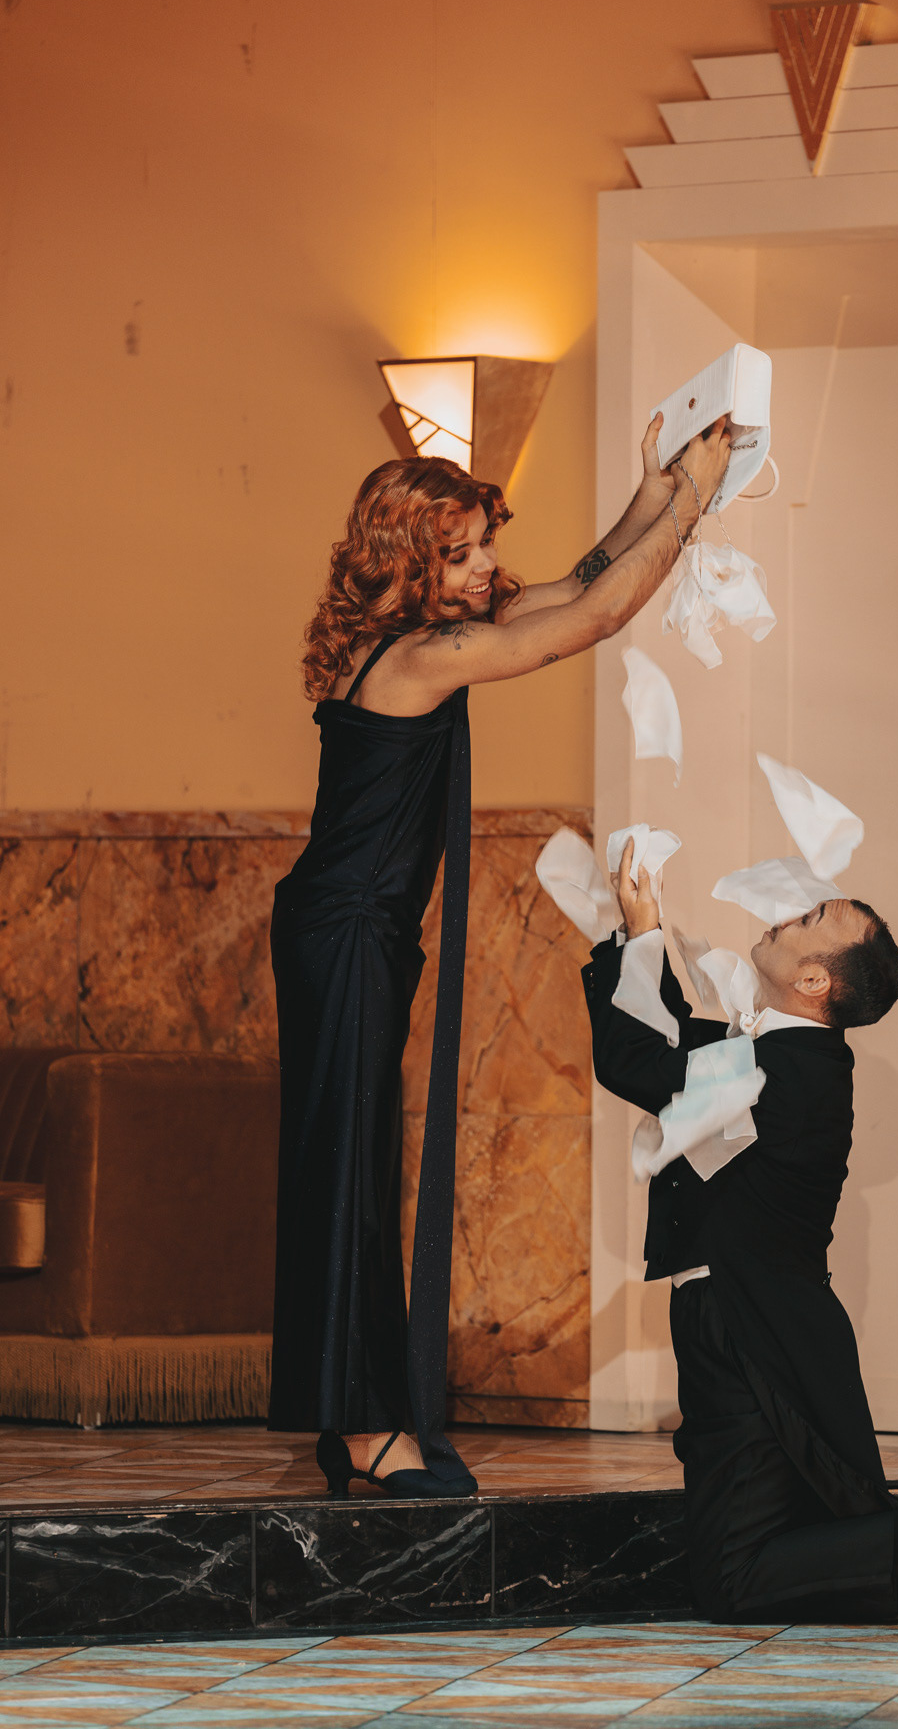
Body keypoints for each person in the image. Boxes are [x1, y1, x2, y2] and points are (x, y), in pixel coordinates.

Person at [268, 415, 732, 1499]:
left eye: (484, 547)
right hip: (346, 933)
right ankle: (369, 1427)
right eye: (463, 554)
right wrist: (697, 500)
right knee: (349, 1173)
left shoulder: (424, 633)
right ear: (411, 562)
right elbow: (597, 620)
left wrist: (654, 493)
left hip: (351, 929)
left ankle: (352, 1415)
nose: (485, 569)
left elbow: (576, 585)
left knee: (351, 1166)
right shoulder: (423, 657)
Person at [582, 844, 898, 1623]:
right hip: (755, 1320)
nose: (782, 916)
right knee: (765, 1542)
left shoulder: (784, 1071)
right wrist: (633, 932)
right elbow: (668, 1043)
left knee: (733, 1580)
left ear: (814, 980)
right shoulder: (780, 1057)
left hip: (750, 1330)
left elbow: (639, 1063)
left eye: (806, 918)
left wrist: (643, 937)